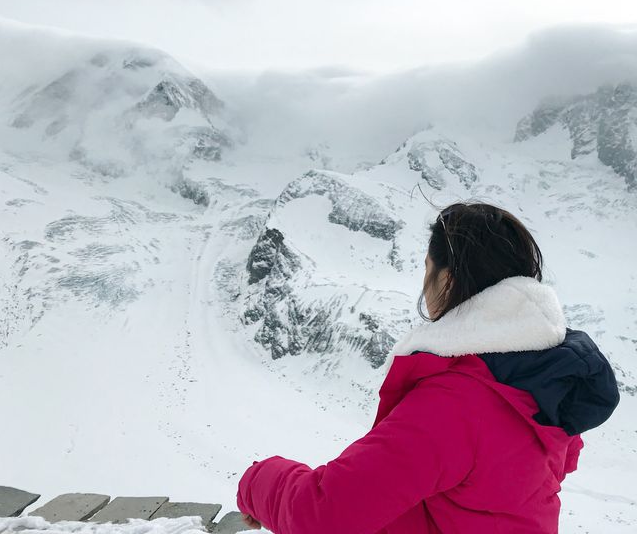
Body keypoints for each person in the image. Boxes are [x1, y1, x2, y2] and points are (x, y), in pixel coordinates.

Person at [236, 201, 620, 533]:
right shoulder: (542, 372)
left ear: (447, 279)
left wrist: (256, 483)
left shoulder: (456, 403)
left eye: (426, 268)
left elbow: (321, 515)